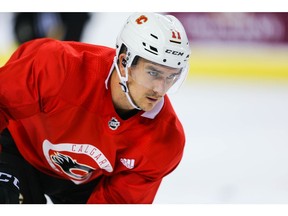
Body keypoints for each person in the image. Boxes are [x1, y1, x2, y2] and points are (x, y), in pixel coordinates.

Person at [0, 12, 190, 204]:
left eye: (171, 76)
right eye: (153, 72)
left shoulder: (164, 139)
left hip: (83, 184)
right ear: (124, 63)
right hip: (17, 151)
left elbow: (116, 202)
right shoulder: (59, 67)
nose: (160, 88)